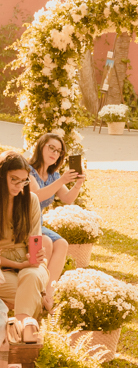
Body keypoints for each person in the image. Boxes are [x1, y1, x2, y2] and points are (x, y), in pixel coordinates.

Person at [27, 132, 85, 309]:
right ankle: (36, 292)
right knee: (47, 244)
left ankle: (48, 294)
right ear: (41, 147)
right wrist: (62, 180)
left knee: (62, 244)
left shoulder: (53, 174)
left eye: (58, 151)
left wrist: (77, 184)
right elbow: (36, 196)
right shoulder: (28, 171)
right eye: (51, 147)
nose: (54, 153)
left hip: (39, 224)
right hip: (25, 224)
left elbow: (67, 199)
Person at [0, 152, 51, 345]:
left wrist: (36, 255)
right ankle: (26, 340)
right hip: (3, 270)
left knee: (31, 277)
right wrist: (19, 265)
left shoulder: (31, 201)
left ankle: (17, 341)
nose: (19, 186)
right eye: (14, 180)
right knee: (31, 295)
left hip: (29, 266)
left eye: (23, 181)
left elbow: (34, 241)